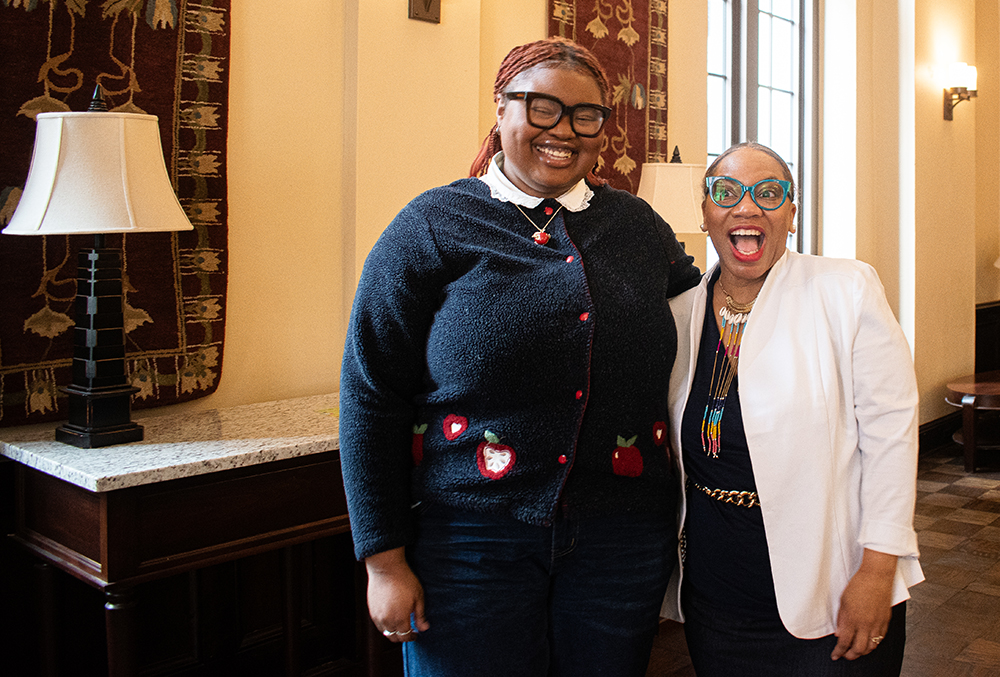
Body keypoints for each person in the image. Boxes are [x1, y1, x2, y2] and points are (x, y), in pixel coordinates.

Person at [339, 37, 701, 676]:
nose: (563, 129)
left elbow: (709, 313)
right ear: (500, 112)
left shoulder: (639, 227)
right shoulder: (432, 225)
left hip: (620, 543)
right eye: (540, 107)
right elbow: (370, 393)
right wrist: (383, 561)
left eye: (584, 115)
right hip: (469, 544)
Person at [660, 141, 924, 676]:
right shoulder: (678, 314)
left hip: (831, 582)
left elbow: (891, 435)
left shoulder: (845, 290)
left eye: (770, 193)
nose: (747, 207)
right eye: (727, 192)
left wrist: (877, 571)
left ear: (792, 215)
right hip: (717, 589)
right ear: (706, 213)